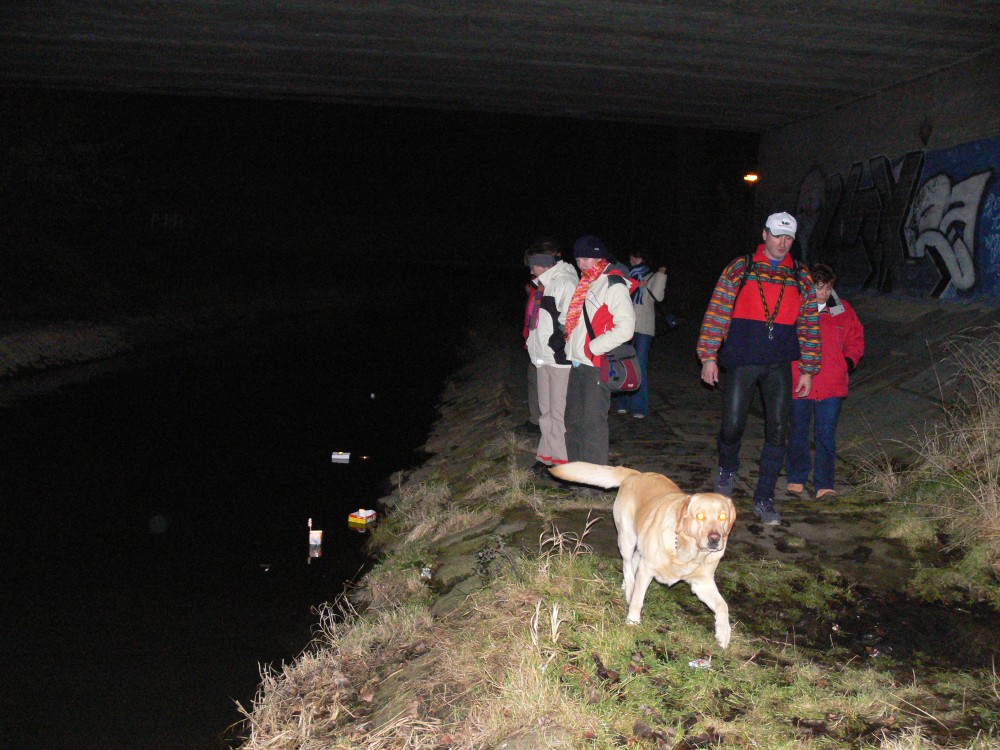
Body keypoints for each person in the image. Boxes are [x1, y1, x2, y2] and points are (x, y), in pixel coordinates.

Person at [697, 212, 821, 525]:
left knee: (778, 431)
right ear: (765, 234)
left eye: (789, 238)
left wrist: (808, 368)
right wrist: (709, 355)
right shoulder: (741, 267)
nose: (782, 243)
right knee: (732, 426)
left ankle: (764, 497)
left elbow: (809, 324)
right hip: (742, 360)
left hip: (778, 363)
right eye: (777, 235)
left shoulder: (800, 276)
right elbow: (718, 311)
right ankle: (727, 468)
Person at [785, 263, 865, 500]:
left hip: (832, 384)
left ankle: (825, 483)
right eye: (818, 287)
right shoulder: (796, 308)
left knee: (826, 434)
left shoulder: (843, 310)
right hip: (800, 381)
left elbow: (856, 338)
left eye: (827, 288)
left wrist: (847, 362)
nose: (823, 293)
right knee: (798, 431)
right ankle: (797, 477)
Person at [564, 235, 636, 465]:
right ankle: (575, 473)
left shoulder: (613, 284)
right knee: (573, 421)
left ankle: (594, 478)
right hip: (578, 362)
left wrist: (594, 347)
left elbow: (626, 328)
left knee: (592, 425)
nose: (582, 264)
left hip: (596, 364)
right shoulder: (587, 282)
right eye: (578, 259)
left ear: (599, 258)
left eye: (587, 258)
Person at [525, 250, 579, 472]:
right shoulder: (544, 284)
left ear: (546, 266)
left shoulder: (565, 282)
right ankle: (546, 456)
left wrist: (558, 342)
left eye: (534, 266)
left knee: (558, 413)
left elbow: (571, 318)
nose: (531, 270)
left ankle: (561, 462)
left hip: (557, 359)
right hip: (543, 357)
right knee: (545, 411)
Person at [612, 250, 667, 419]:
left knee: (639, 365)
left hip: (643, 327)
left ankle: (639, 406)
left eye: (637, 257)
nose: (634, 260)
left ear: (644, 259)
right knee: (622, 363)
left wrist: (660, 275)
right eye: (632, 257)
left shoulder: (652, 276)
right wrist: (633, 286)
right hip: (624, 326)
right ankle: (622, 403)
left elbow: (658, 297)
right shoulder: (626, 275)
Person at [517, 238, 562, 435]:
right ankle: (536, 420)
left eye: (533, 265)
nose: (531, 271)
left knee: (545, 387)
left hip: (549, 347)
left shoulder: (556, 282)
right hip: (536, 341)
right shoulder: (540, 283)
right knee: (534, 381)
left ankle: (540, 424)